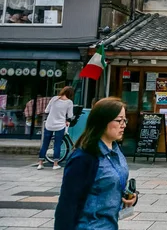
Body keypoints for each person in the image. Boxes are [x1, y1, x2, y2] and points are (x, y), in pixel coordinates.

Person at [54, 97, 137, 229]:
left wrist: (130, 197)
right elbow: (67, 203)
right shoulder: (84, 157)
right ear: (102, 122)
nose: (124, 125)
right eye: (119, 120)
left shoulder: (115, 149)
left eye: (124, 120)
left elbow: (110, 184)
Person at [37, 86, 74, 170]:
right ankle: (55, 164)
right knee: (57, 144)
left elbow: (46, 110)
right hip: (60, 125)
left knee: (45, 144)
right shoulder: (69, 102)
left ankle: (40, 164)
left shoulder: (54, 99)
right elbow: (70, 115)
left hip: (49, 124)